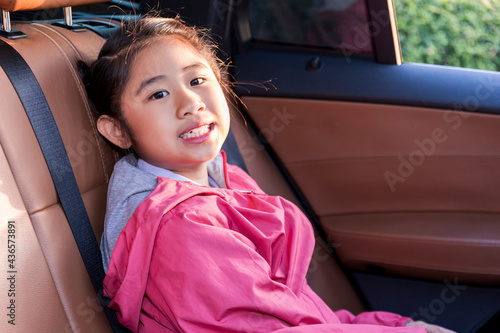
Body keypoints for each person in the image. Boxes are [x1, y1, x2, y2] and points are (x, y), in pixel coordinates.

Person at [80, 16, 456, 333]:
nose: (190, 103)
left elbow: (295, 308)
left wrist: (394, 325)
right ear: (117, 131)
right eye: (158, 95)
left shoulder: (220, 181)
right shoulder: (182, 229)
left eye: (197, 81)